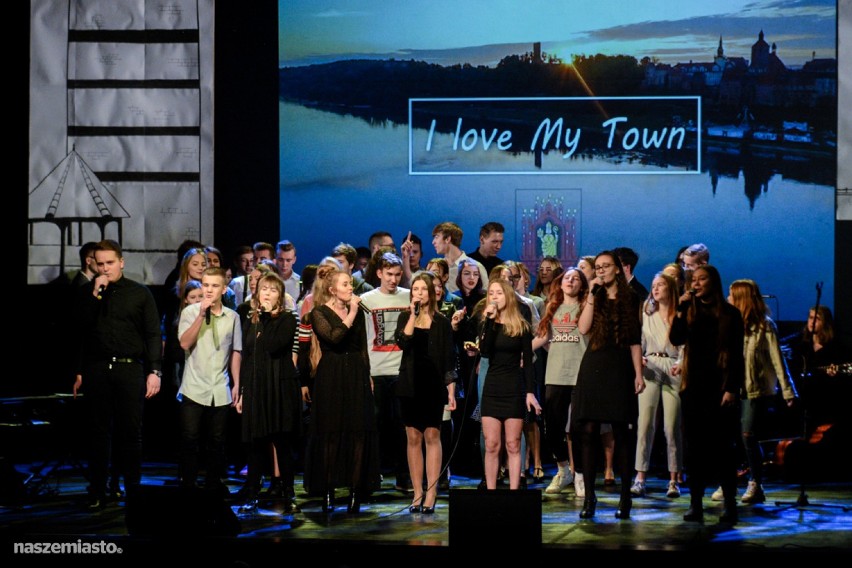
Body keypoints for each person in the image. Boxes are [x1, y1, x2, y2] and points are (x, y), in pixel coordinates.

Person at [72, 239, 163, 510]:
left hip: (129, 368)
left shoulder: (139, 293)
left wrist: (155, 370)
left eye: (110, 263)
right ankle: (98, 489)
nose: (105, 268)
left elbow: (152, 334)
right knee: (99, 432)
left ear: (121, 262)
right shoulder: (87, 293)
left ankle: (132, 490)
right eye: (100, 264)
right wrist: (78, 371)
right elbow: (79, 331)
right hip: (97, 368)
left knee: (130, 433)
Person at [669, 264, 744, 524]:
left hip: (720, 388)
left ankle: (730, 505)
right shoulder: (689, 311)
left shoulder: (731, 314)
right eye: (694, 280)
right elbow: (676, 339)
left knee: (724, 449)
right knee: (694, 450)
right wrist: (679, 310)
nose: (697, 283)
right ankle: (695, 504)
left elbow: (736, 354)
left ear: (714, 282)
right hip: (694, 389)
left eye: (702, 279)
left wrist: (732, 388)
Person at [572, 251, 644, 519]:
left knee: (622, 434)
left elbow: (635, 340)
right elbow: (583, 328)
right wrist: (591, 294)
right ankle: (590, 498)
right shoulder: (596, 296)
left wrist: (638, 373)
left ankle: (625, 498)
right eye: (597, 267)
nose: (600, 271)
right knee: (588, 431)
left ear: (618, 269)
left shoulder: (632, 297)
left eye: (605, 266)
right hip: (594, 366)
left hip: (620, 367)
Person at [302, 268, 381, 513]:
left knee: (358, 432)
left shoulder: (357, 314)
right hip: (331, 374)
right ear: (332, 289)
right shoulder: (318, 313)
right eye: (346, 284)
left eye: (351, 284)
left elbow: (361, 347)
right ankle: (328, 491)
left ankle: (356, 492)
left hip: (355, 372)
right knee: (331, 433)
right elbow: (334, 338)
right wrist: (354, 312)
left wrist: (367, 374)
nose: (351, 288)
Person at [715, 279, 797, 505]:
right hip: (731, 388)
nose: (728, 299)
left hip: (755, 390)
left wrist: (788, 391)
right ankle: (728, 482)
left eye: (732, 295)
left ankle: (756, 482)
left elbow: (778, 360)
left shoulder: (764, 325)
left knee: (748, 435)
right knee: (730, 438)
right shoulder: (729, 323)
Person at [235, 272, 303, 514]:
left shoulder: (287, 319)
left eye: (273, 290)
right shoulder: (250, 320)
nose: (267, 293)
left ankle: (288, 494)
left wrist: (265, 316)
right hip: (256, 386)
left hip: (279, 386)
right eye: (264, 288)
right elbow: (247, 356)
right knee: (255, 443)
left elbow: (274, 345)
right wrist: (242, 391)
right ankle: (252, 493)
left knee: (281, 442)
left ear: (280, 295)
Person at [395, 272, 457, 513]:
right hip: (409, 384)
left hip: (432, 385)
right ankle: (417, 492)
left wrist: (450, 389)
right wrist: (412, 315)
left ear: (431, 293)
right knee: (413, 437)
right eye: (415, 289)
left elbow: (448, 359)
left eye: (423, 289)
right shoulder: (405, 317)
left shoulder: (441, 322)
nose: (418, 293)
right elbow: (402, 342)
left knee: (432, 435)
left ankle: (432, 492)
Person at [177, 267, 242, 493]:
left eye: (214, 286)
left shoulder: (233, 317)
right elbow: (185, 343)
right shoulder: (190, 312)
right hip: (194, 386)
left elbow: (236, 351)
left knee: (216, 441)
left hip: (220, 387)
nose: (209, 290)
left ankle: (213, 483)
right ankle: (188, 483)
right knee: (189, 439)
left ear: (224, 289)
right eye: (205, 285)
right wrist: (200, 314)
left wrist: (236, 384)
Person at [479, 279, 542, 490]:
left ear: (508, 295)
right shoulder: (487, 324)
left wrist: (530, 392)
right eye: (491, 293)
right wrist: (489, 320)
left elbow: (528, 363)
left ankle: (514, 492)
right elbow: (485, 351)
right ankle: (491, 491)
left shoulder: (521, 326)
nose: (494, 297)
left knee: (513, 444)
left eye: (499, 293)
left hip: (514, 387)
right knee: (491, 444)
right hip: (492, 388)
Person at [533, 267, 589, 497]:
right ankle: (563, 469)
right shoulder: (552, 307)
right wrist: (522, 354)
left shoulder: (586, 307)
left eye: (576, 278)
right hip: (555, 374)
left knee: (577, 428)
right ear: (561, 283)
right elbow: (544, 337)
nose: (571, 281)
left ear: (582, 285)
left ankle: (580, 475)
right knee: (552, 427)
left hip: (579, 375)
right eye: (567, 277)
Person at [360, 252, 412, 492]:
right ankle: (374, 474)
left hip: (401, 371)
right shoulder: (366, 300)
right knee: (376, 426)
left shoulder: (409, 297)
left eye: (397, 274)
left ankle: (404, 476)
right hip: (376, 370)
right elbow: (362, 339)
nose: (393, 279)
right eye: (389, 274)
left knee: (403, 426)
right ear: (379, 273)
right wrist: (366, 372)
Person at [630, 272, 684, 499]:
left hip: (672, 366)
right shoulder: (646, 312)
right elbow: (640, 341)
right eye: (654, 285)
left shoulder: (679, 314)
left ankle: (674, 479)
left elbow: (684, 344)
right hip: (651, 365)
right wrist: (639, 363)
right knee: (645, 423)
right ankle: (640, 477)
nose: (656, 289)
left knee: (671, 426)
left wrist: (681, 362)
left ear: (670, 288)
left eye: (661, 285)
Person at [432, 222, 488, 294]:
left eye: (437, 237)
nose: (433, 242)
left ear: (447, 239)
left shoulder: (476, 267)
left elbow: (485, 297)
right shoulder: (436, 267)